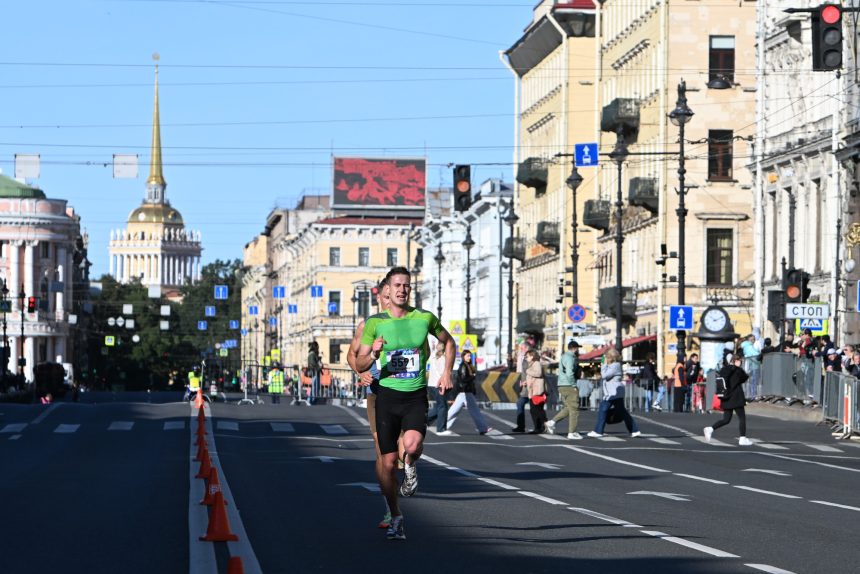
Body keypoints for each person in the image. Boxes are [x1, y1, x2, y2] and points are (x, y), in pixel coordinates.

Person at [354, 266, 456, 541]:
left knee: (411, 445)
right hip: (386, 396)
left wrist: (447, 372)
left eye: (406, 286)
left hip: (414, 395)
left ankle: (410, 466)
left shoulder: (424, 318)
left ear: (410, 290)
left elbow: (449, 342)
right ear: (388, 288)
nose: (401, 290)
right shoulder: (375, 323)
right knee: (386, 462)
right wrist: (372, 355)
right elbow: (359, 361)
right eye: (397, 285)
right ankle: (395, 513)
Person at [347, 279, 397, 529]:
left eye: (395, 296)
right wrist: (360, 373)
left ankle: (406, 471)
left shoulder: (409, 323)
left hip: (404, 392)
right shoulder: (368, 325)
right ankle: (389, 508)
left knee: (403, 451)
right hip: (377, 391)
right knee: (381, 449)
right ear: (379, 298)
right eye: (386, 297)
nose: (391, 301)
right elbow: (353, 354)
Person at [588, 348, 641, 438]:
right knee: (622, 411)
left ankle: (598, 431)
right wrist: (604, 363)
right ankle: (634, 430)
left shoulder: (615, 365)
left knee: (603, 409)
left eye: (607, 357)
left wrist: (603, 364)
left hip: (613, 392)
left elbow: (605, 375)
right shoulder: (612, 365)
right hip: (615, 392)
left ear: (611, 357)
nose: (606, 359)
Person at [704, 354, 751, 446]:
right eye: (740, 361)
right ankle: (742, 438)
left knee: (726, 419)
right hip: (736, 397)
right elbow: (744, 377)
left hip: (726, 397)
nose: (740, 363)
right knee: (742, 418)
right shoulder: (738, 370)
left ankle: (710, 429)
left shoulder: (724, 369)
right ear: (735, 361)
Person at [445, 350, 491, 434]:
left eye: (470, 356)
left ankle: (443, 426)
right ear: (463, 357)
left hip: (465, 392)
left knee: (454, 411)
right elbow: (463, 379)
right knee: (475, 411)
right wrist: (472, 377)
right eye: (468, 356)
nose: (469, 357)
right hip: (465, 392)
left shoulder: (467, 366)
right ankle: (483, 428)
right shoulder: (463, 366)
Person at [546, 340, 582, 439]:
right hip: (568, 385)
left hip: (562, 384)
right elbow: (569, 373)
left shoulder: (564, 356)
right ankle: (572, 432)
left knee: (568, 408)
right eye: (578, 348)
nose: (578, 350)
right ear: (575, 348)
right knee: (574, 409)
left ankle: (551, 422)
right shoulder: (570, 358)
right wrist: (574, 385)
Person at [426, 341, 453, 436]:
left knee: (440, 405)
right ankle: (441, 429)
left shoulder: (433, 356)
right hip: (439, 385)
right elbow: (443, 374)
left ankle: (425, 421)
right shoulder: (443, 359)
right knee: (442, 406)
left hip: (432, 384)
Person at [511, 339, 532, 433]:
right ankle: (521, 426)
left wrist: (525, 381)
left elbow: (532, 372)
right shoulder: (523, 357)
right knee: (534, 407)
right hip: (525, 385)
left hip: (530, 386)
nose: (520, 350)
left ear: (526, 348)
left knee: (534, 407)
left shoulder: (530, 357)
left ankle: (522, 426)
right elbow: (522, 371)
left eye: (522, 348)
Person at [525, 349, 548, 434]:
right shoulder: (532, 364)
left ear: (532, 356)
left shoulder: (537, 363)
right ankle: (539, 427)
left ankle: (543, 424)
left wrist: (527, 371)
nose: (526, 358)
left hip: (537, 391)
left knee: (536, 410)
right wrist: (525, 382)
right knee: (535, 410)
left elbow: (538, 374)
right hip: (534, 390)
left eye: (527, 356)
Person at [740, 334, 761, 399]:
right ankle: (753, 395)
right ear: (748, 340)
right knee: (753, 381)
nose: (753, 340)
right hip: (752, 366)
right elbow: (755, 354)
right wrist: (760, 355)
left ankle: (751, 395)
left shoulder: (748, 345)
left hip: (752, 365)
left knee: (752, 381)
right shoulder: (749, 346)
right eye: (751, 339)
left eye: (754, 339)